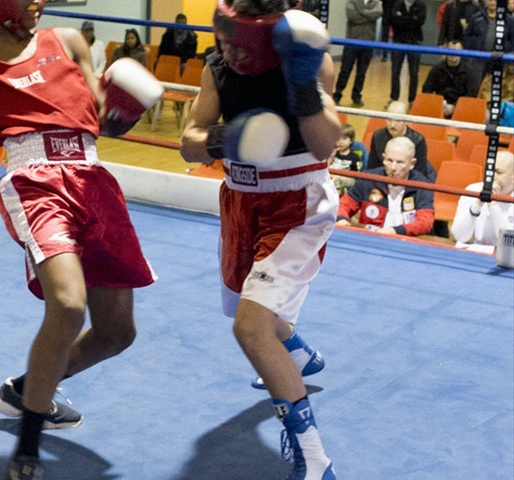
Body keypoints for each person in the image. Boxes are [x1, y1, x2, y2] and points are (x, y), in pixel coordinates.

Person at [0, 1, 164, 478]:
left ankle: (25, 390)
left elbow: (103, 121)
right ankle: (28, 449)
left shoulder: (70, 41)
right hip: (34, 182)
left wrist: (125, 112)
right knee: (67, 303)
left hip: (94, 180)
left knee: (117, 333)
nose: (39, 2)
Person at [181, 1, 339, 478]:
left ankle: (315, 462)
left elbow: (326, 144)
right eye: (222, 38)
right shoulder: (216, 67)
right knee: (242, 310)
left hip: (298, 205)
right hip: (241, 201)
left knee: (250, 327)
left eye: (237, 43)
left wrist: (302, 86)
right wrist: (226, 138)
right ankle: (299, 353)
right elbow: (188, 140)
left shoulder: (306, 55)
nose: (227, 49)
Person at [337, 136, 435, 236]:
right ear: (383, 158)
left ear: (412, 163)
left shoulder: (422, 186)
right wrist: (341, 219)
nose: (393, 167)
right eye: (389, 160)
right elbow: (344, 205)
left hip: (405, 240)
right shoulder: (369, 178)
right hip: (370, 238)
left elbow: (425, 222)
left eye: (400, 162)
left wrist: (395, 231)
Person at [451, 150, 514, 245]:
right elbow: (459, 236)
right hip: (479, 253)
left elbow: (508, 243)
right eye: (491, 170)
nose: (493, 176)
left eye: (499, 172)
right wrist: (478, 204)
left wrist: (492, 204)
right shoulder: (473, 189)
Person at [366, 101, 436, 181]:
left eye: (398, 120)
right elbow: (371, 169)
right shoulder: (377, 136)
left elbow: (419, 173)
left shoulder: (418, 140)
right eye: (389, 119)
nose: (392, 125)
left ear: (406, 120)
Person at [333, 0, 383, 108]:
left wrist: (361, 11)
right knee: (345, 70)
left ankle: (356, 96)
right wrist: (369, 15)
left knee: (362, 73)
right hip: (351, 42)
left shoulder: (376, 2)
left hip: (368, 43)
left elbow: (378, 13)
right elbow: (352, 16)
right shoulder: (352, 1)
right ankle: (337, 94)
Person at [421, 38, 479, 118]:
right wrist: (438, 103)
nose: (453, 54)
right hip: (439, 107)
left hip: (462, 109)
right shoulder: (437, 69)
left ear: (462, 52)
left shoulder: (469, 72)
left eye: (457, 51)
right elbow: (426, 89)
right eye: (450, 50)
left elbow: (471, 95)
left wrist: (454, 107)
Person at [388, 0, 427, 106]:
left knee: (414, 73)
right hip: (398, 42)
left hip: (415, 42)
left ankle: (412, 100)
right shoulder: (397, 4)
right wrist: (411, 17)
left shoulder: (421, 5)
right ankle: (393, 98)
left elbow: (419, 22)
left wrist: (402, 17)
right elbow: (393, 21)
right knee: (395, 71)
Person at [464, 0, 514, 81]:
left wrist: (504, 50)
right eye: (490, 0)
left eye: (495, 0)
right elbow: (467, 38)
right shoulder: (476, 18)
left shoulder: (509, 20)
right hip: (478, 61)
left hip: (500, 61)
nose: (492, 3)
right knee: (476, 88)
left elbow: (512, 41)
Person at [329, 123, 361, 195]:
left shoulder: (354, 157)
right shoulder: (333, 153)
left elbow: (357, 176)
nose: (341, 142)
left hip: (344, 181)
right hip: (331, 177)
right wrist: (331, 157)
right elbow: (326, 168)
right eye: (338, 138)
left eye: (344, 138)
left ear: (351, 140)